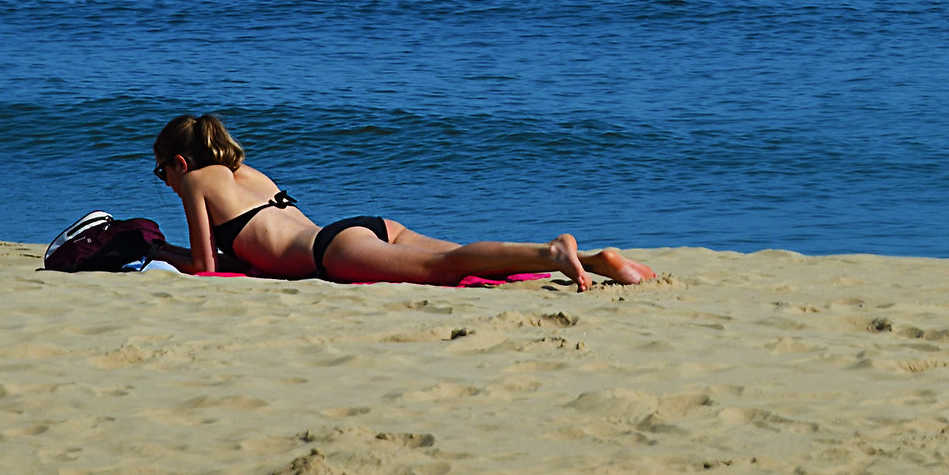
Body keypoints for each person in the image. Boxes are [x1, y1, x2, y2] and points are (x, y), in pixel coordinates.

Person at [150, 113, 656, 291]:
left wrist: (156, 250)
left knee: (444, 268)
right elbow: (257, 242)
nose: (166, 182)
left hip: (332, 252)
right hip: (363, 226)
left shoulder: (197, 183)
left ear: (180, 162)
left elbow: (204, 266)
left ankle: (552, 252)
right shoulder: (247, 173)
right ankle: (593, 260)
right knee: (463, 260)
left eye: (162, 172)